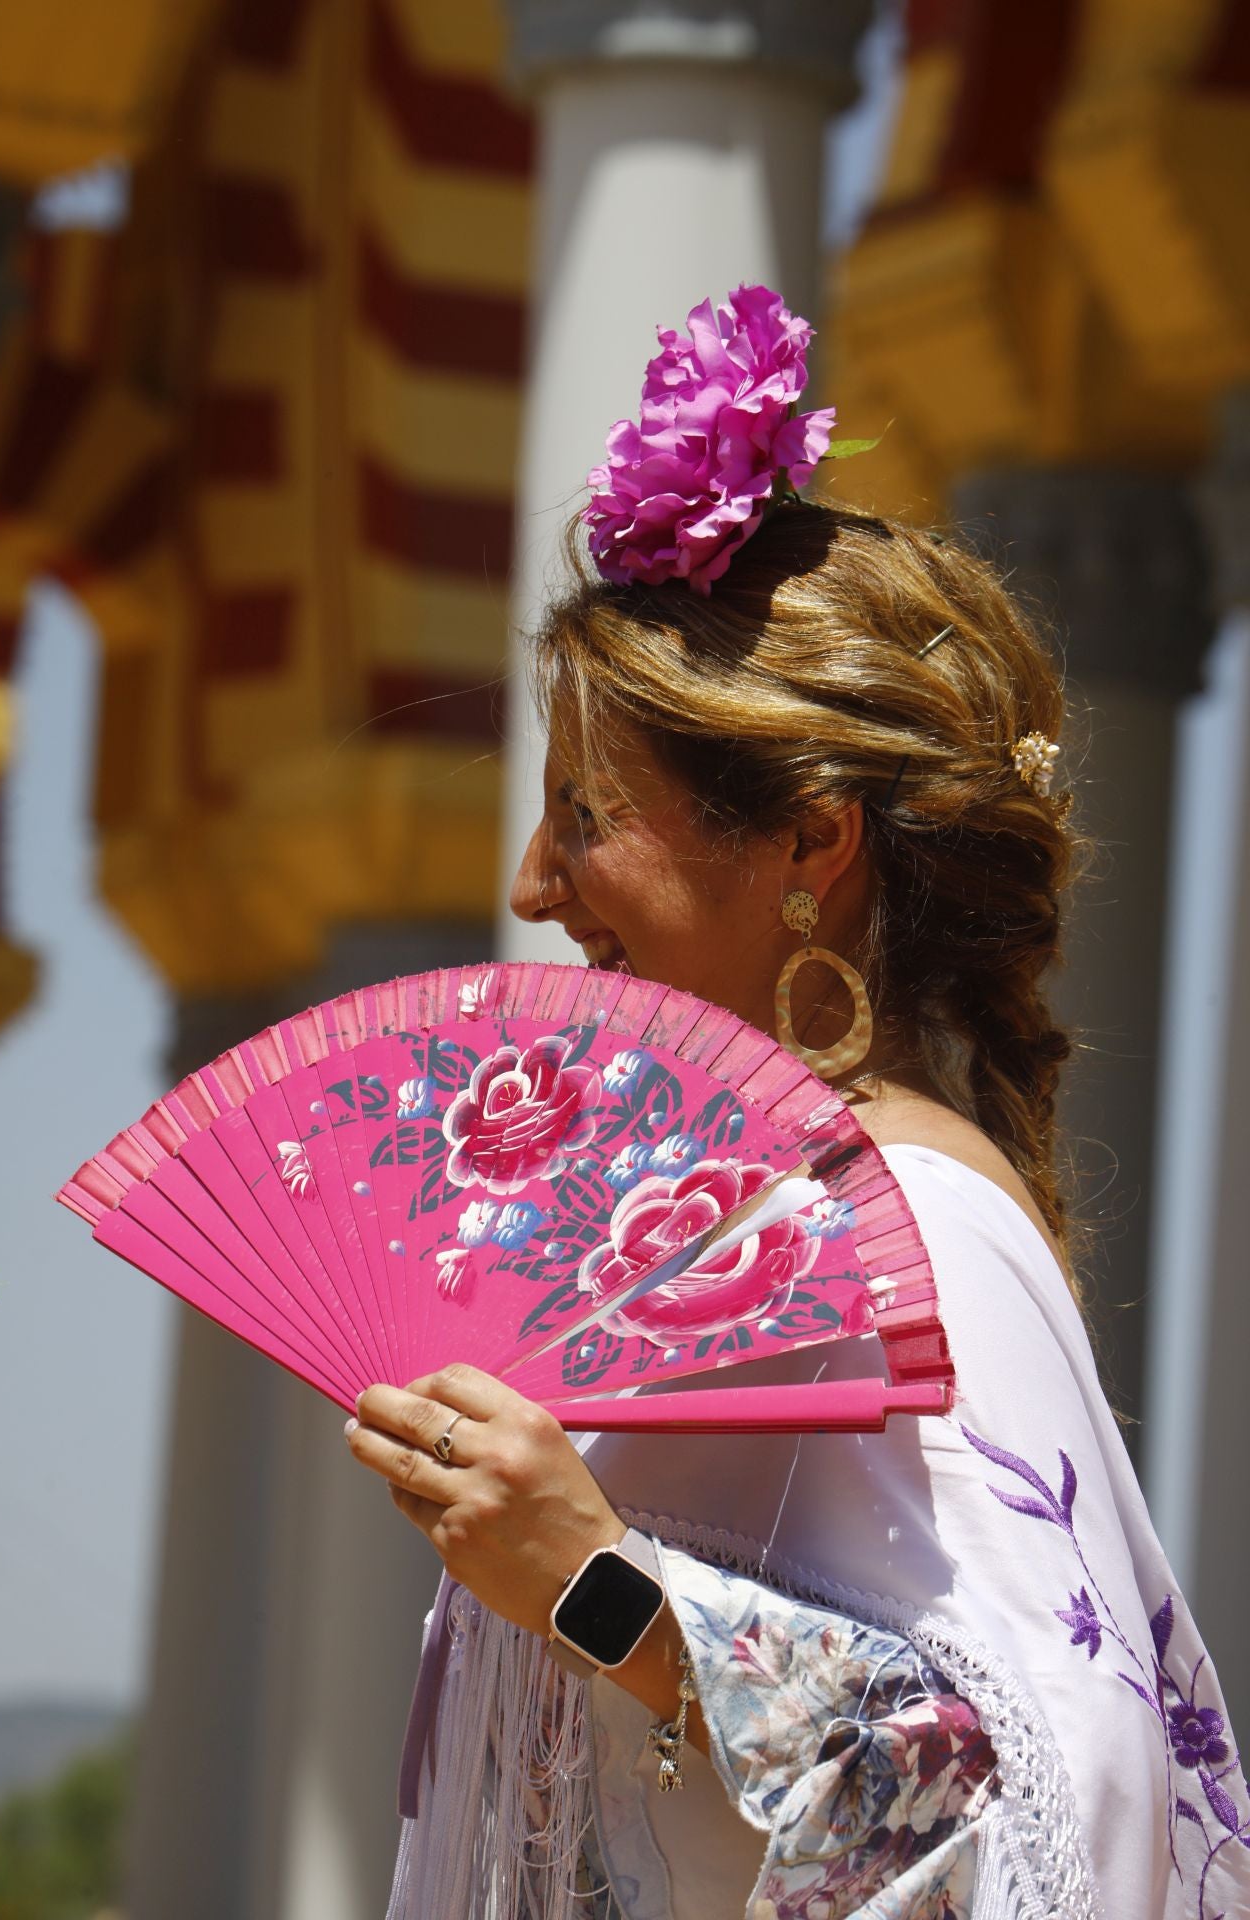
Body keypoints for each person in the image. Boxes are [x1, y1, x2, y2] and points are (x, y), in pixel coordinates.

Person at [345, 289, 1248, 1920]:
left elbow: (1054, 1822)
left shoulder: (909, 1217)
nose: (537, 883)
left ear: (806, 846)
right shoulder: (750, 1226)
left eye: (587, 813)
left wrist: (603, 1592)